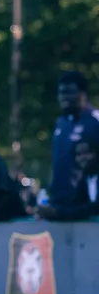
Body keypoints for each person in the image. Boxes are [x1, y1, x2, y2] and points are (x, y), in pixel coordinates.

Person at [50, 71, 99, 206]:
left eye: (69, 92)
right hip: (60, 202)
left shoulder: (95, 121)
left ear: (83, 94)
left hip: (86, 206)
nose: (64, 97)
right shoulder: (61, 123)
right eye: (61, 93)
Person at [39, 140, 99, 221]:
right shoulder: (83, 180)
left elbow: (94, 208)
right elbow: (76, 204)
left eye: (87, 152)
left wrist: (58, 212)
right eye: (78, 154)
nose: (82, 157)